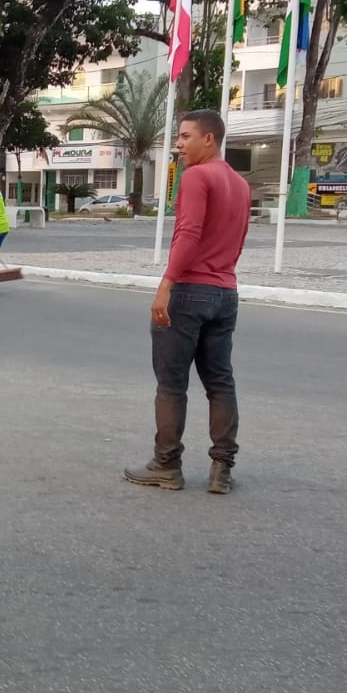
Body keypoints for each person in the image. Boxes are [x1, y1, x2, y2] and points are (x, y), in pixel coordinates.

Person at [124, 109, 251, 496]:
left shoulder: (196, 176)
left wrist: (166, 284)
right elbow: (239, 239)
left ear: (208, 139)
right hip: (225, 293)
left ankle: (167, 465)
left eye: (184, 136)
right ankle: (221, 469)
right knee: (220, 381)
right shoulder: (240, 185)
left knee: (172, 384)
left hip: (189, 291)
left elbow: (189, 233)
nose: (177, 144)